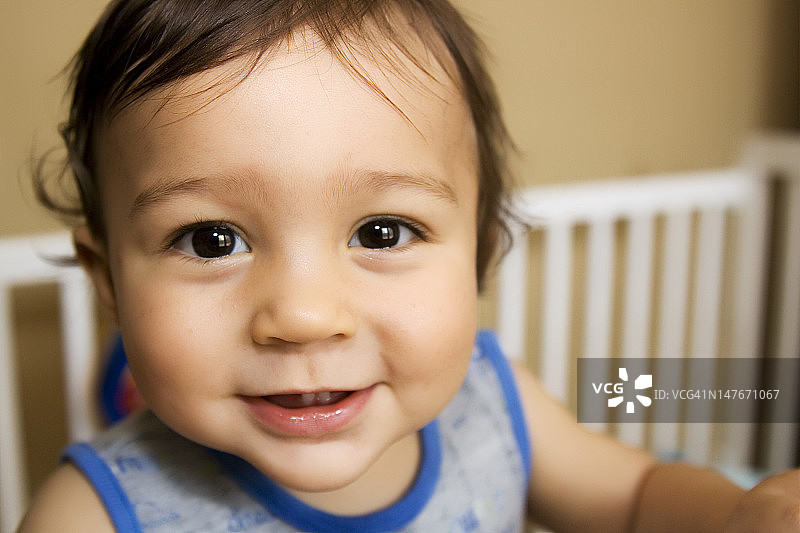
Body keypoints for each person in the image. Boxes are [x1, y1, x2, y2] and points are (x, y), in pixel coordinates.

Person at [19, 0, 799, 531]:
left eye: (384, 231)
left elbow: (634, 497)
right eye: (211, 239)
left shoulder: (497, 406)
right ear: (106, 279)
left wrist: (736, 515)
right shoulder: (95, 510)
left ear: (481, 247)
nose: (304, 314)